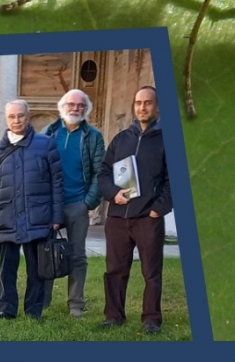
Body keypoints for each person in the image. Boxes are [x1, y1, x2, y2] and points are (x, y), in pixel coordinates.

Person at [98, 85, 172, 333]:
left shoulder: (166, 140)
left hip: (147, 218)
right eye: (139, 102)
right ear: (134, 106)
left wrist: (157, 210)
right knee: (115, 270)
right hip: (118, 217)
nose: (142, 107)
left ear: (157, 106)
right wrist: (113, 194)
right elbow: (104, 173)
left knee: (151, 272)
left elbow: (174, 180)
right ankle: (113, 315)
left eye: (148, 103)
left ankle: (151, 319)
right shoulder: (121, 139)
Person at [0, 100, 64, 320]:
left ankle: (33, 309)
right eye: (11, 117)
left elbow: (57, 182)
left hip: (38, 216)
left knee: (36, 268)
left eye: (20, 116)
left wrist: (57, 217)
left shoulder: (46, 144)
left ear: (28, 118)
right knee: (6, 267)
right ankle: (6, 308)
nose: (16, 121)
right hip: (7, 215)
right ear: (6, 119)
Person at [41, 88, 105, 317]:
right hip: (50, 205)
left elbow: (100, 172)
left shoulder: (94, 136)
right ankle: (43, 300)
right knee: (46, 252)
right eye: (71, 104)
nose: (75, 108)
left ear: (86, 109)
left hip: (77, 204)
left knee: (77, 255)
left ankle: (76, 304)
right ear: (62, 107)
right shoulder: (47, 133)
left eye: (80, 105)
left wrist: (88, 202)